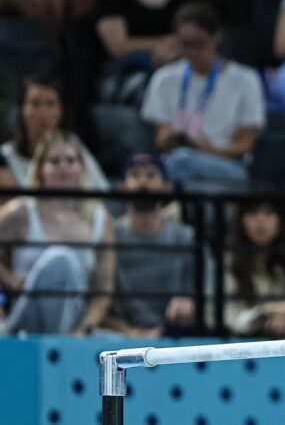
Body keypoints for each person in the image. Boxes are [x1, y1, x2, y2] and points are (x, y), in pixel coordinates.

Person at [0, 130, 115, 334]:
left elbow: (103, 291)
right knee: (61, 259)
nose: (63, 167)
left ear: (82, 167)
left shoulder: (101, 219)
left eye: (70, 160)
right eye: (55, 161)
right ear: (40, 169)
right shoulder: (21, 211)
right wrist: (14, 283)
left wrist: (84, 329)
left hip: (77, 322)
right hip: (27, 319)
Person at [141, 2, 266, 182]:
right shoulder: (164, 78)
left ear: (216, 38)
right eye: (185, 44)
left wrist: (208, 150)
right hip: (176, 159)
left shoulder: (246, 79)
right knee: (166, 163)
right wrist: (169, 138)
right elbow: (161, 139)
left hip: (227, 163)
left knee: (180, 161)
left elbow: (245, 144)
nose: (192, 52)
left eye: (198, 44)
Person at [101, 151, 205, 337]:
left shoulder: (187, 237)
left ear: (167, 187)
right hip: (121, 339)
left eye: (151, 175)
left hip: (175, 336)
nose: (143, 182)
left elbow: (206, 296)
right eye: (135, 175)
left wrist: (191, 302)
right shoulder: (109, 237)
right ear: (122, 187)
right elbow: (99, 307)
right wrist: (132, 333)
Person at [224, 200, 285, 337]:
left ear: (280, 221)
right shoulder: (227, 264)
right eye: (253, 212)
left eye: (269, 212)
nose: (260, 220)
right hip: (242, 345)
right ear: (240, 220)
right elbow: (227, 319)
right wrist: (264, 312)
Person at [0, 73, 109, 191]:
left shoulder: (75, 151)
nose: (43, 112)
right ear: (22, 110)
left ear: (62, 111)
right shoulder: (5, 157)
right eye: (35, 103)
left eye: (50, 103)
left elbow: (101, 195)